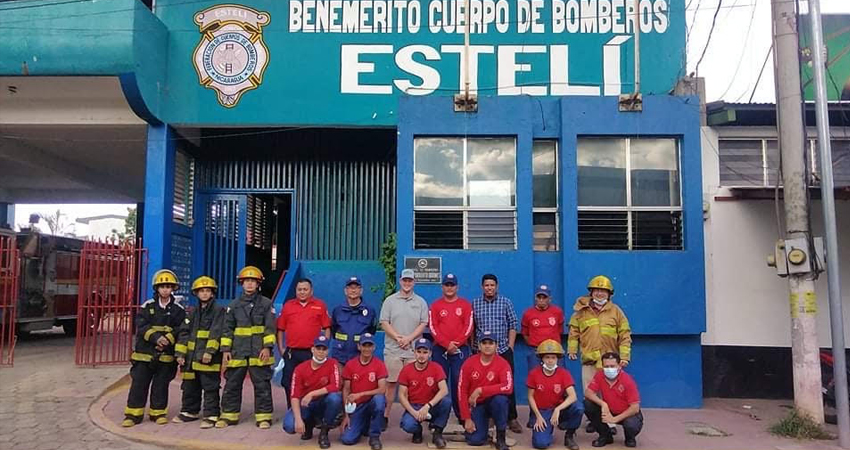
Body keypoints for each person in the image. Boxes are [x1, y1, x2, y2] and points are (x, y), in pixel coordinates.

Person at [122, 269, 186, 427]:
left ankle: (158, 413)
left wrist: (169, 338)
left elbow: (181, 328)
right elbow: (142, 325)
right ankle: (133, 415)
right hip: (145, 354)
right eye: (162, 286)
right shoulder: (147, 306)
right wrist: (156, 338)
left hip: (165, 355)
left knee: (161, 385)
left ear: (173, 288)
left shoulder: (179, 310)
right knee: (139, 384)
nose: (165, 289)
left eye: (168, 286)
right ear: (156, 288)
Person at [216, 266, 277, 429]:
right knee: (232, 384)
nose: (250, 284)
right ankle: (229, 415)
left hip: (259, 351)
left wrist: (267, 347)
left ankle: (264, 417)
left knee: (262, 384)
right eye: (246, 281)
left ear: (258, 284)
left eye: (253, 281)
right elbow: (227, 329)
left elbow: (270, 328)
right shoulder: (233, 305)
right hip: (238, 351)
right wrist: (226, 350)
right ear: (241, 284)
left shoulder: (266, 303)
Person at [379, 268, 429, 430]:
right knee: (391, 385)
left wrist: (409, 338)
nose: (407, 283)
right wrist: (398, 337)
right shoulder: (390, 301)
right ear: (400, 281)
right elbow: (384, 322)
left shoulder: (420, 302)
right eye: (404, 280)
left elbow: (423, 323)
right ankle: (385, 416)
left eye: (410, 280)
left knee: (413, 386)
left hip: (413, 351)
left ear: (414, 282)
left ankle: (413, 416)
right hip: (393, 350)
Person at [173, 276, 226, 429]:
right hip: (190, 358)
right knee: (190, 385)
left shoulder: (218, 310)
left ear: (212, 293)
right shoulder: (193, 311)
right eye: (201, 291)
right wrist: (180, 354)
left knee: (210, 386)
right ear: (196, 293)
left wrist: (210, 351)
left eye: (207, 290)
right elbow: (184, 332)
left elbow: (217, 331)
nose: (204, 293)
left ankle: (211, 414)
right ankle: (190, 411)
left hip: (208, 357)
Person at [471, 274, 521, 433]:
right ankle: (486, 416)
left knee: (508, 384)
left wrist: (510, 347)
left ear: (496, 286)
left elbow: (513, 324)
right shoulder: (475, 303)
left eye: (492, 285)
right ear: (482, 287)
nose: (489, 288)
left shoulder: (505, 302)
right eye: (486, 285)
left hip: (503, 350)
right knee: (483, 383)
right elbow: (472, 327)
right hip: (482, 351)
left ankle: (511, 418)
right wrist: (474, 346)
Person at [567, 275, 632, 391]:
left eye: (603, 291)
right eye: (597, 290)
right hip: (589, 361)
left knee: (611, 393)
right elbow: (573, 332)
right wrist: (572, 350)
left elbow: (625, 335)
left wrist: (624, 356)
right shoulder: (580, 312)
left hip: (610, 361)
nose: (600, 294)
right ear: (591, 292)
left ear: (609, 294)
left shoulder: (617, 312)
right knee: (590, 395)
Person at [278, 278, 331, 409]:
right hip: (292, 353)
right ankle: (292, 409)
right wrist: (281, 349)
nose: (302, 292)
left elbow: (327, 328)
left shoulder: (320, 305)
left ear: (311, 291)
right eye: (299, 289)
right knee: (288, 382)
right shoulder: (288, 306)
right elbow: (280, 329)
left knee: (314, 382)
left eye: (305, 289)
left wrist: (323, 348)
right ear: (296, 291)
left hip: (312, 352)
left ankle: (311, 411)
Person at [283, 335, 343, 449]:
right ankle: (308, 425)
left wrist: (312, 394)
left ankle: (324, 432)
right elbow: (295, 395)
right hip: (306, 405)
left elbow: (335, 386)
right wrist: (299, 420)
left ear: (327, 351)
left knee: (335, 398)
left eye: (324, 349)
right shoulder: (300, 369)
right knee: (289, 426)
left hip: (322, 403)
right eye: (318, 348)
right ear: (312, 349)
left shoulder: (332, 364)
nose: (321, 352)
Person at [428, 273, 473, 422]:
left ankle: (462, 415)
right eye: (446, 285)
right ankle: (435, 416)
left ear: (457, 287)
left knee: (459, 383)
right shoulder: (435, 305)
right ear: (442, 287)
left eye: (452, 285)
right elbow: (433, 328)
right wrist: (446, 344)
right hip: (440, 350)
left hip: (460, 350)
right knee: (437, 383)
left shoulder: (466, 305)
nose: (449, 287)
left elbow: (469, 327)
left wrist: (456, 344)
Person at [458, 331, 512, 450]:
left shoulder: (503, 364)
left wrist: (481, 390)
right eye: (484, 343)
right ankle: (483, 426)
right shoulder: (469, 363)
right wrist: (466, 418)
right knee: (475, 440)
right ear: (479, 345)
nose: (487, 346)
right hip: (477, 405)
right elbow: (461, 391)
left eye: (491, 343)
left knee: (501, 400)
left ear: (496, 346)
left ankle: (500, 438)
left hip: (494, 402)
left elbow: (508, 387)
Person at [527, 339, 583, 450]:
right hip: (543, 410)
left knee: (578, 408)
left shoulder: (564, 373)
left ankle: (569, 435)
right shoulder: (534, 374)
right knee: (541, 444)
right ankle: (548, 429)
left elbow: (573, 396)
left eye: (553, 357)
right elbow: (530, 396)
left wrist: (558, 409)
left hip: (560, 408)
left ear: (557, 359)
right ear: (542, 359)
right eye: (547, 357)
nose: (550, 361)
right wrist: (538, 416)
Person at [397, 338, 451, 448]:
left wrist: (428, 405)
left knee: (446, 401)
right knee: (407, 425)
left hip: (431, 406)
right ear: (414, 352)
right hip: (415, 406)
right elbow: (401, 395)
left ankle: (437, 432)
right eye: (419, 352)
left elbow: (444, 390)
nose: (422, 355)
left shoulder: (436, 368)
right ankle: (417, 431)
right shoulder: (406, 370)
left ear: (430, 353)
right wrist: (413, 412)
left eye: (425, 352)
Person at [583, 352, 642, 448]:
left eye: (612, 366)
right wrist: (603, 404)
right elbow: (588, 393)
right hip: (609, 410)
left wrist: (614, 420)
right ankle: (605, 436)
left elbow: (635, 407)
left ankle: (630, 437)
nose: (609, 369)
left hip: (626, 413)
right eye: (606, 366)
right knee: (588, 404)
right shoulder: (599, 375)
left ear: (619, 366)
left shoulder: (627, 380)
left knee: (631, 425)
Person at [340, 333, 387, 450]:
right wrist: (346, 415)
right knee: (347, 439)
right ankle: (363, 425)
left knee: (379, 400)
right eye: (364, 345)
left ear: (374, 347)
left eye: (369, 346)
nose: (367, 349)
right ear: (359, 347)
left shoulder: (379, 365)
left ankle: (375, 437)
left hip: (371, 403)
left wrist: (360, 394)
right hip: (357, 406)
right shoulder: (351, 365)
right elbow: (346, 390)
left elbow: (382, 389)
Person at [331, 276, 378, 366]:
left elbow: (372, 330)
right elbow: (334, 329)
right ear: (345, 291)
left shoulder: (370, 311)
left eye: (357, 288)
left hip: (360, 356)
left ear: (361, 291)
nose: (353, 290)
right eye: (350, 288)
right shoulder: (338, 310)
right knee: (339, 380)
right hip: (340, 356)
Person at [521, 285, 565, 372]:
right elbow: (525, 334)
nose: (541, 300)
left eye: (544, 297)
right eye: (539, 297)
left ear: (550, 299)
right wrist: (535, 344)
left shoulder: (557, 312)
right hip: (535, 351)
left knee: (558, 375)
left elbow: (560, 330)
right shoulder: (528, 313)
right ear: (535, 298)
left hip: (554, 351)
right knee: (534, 376)